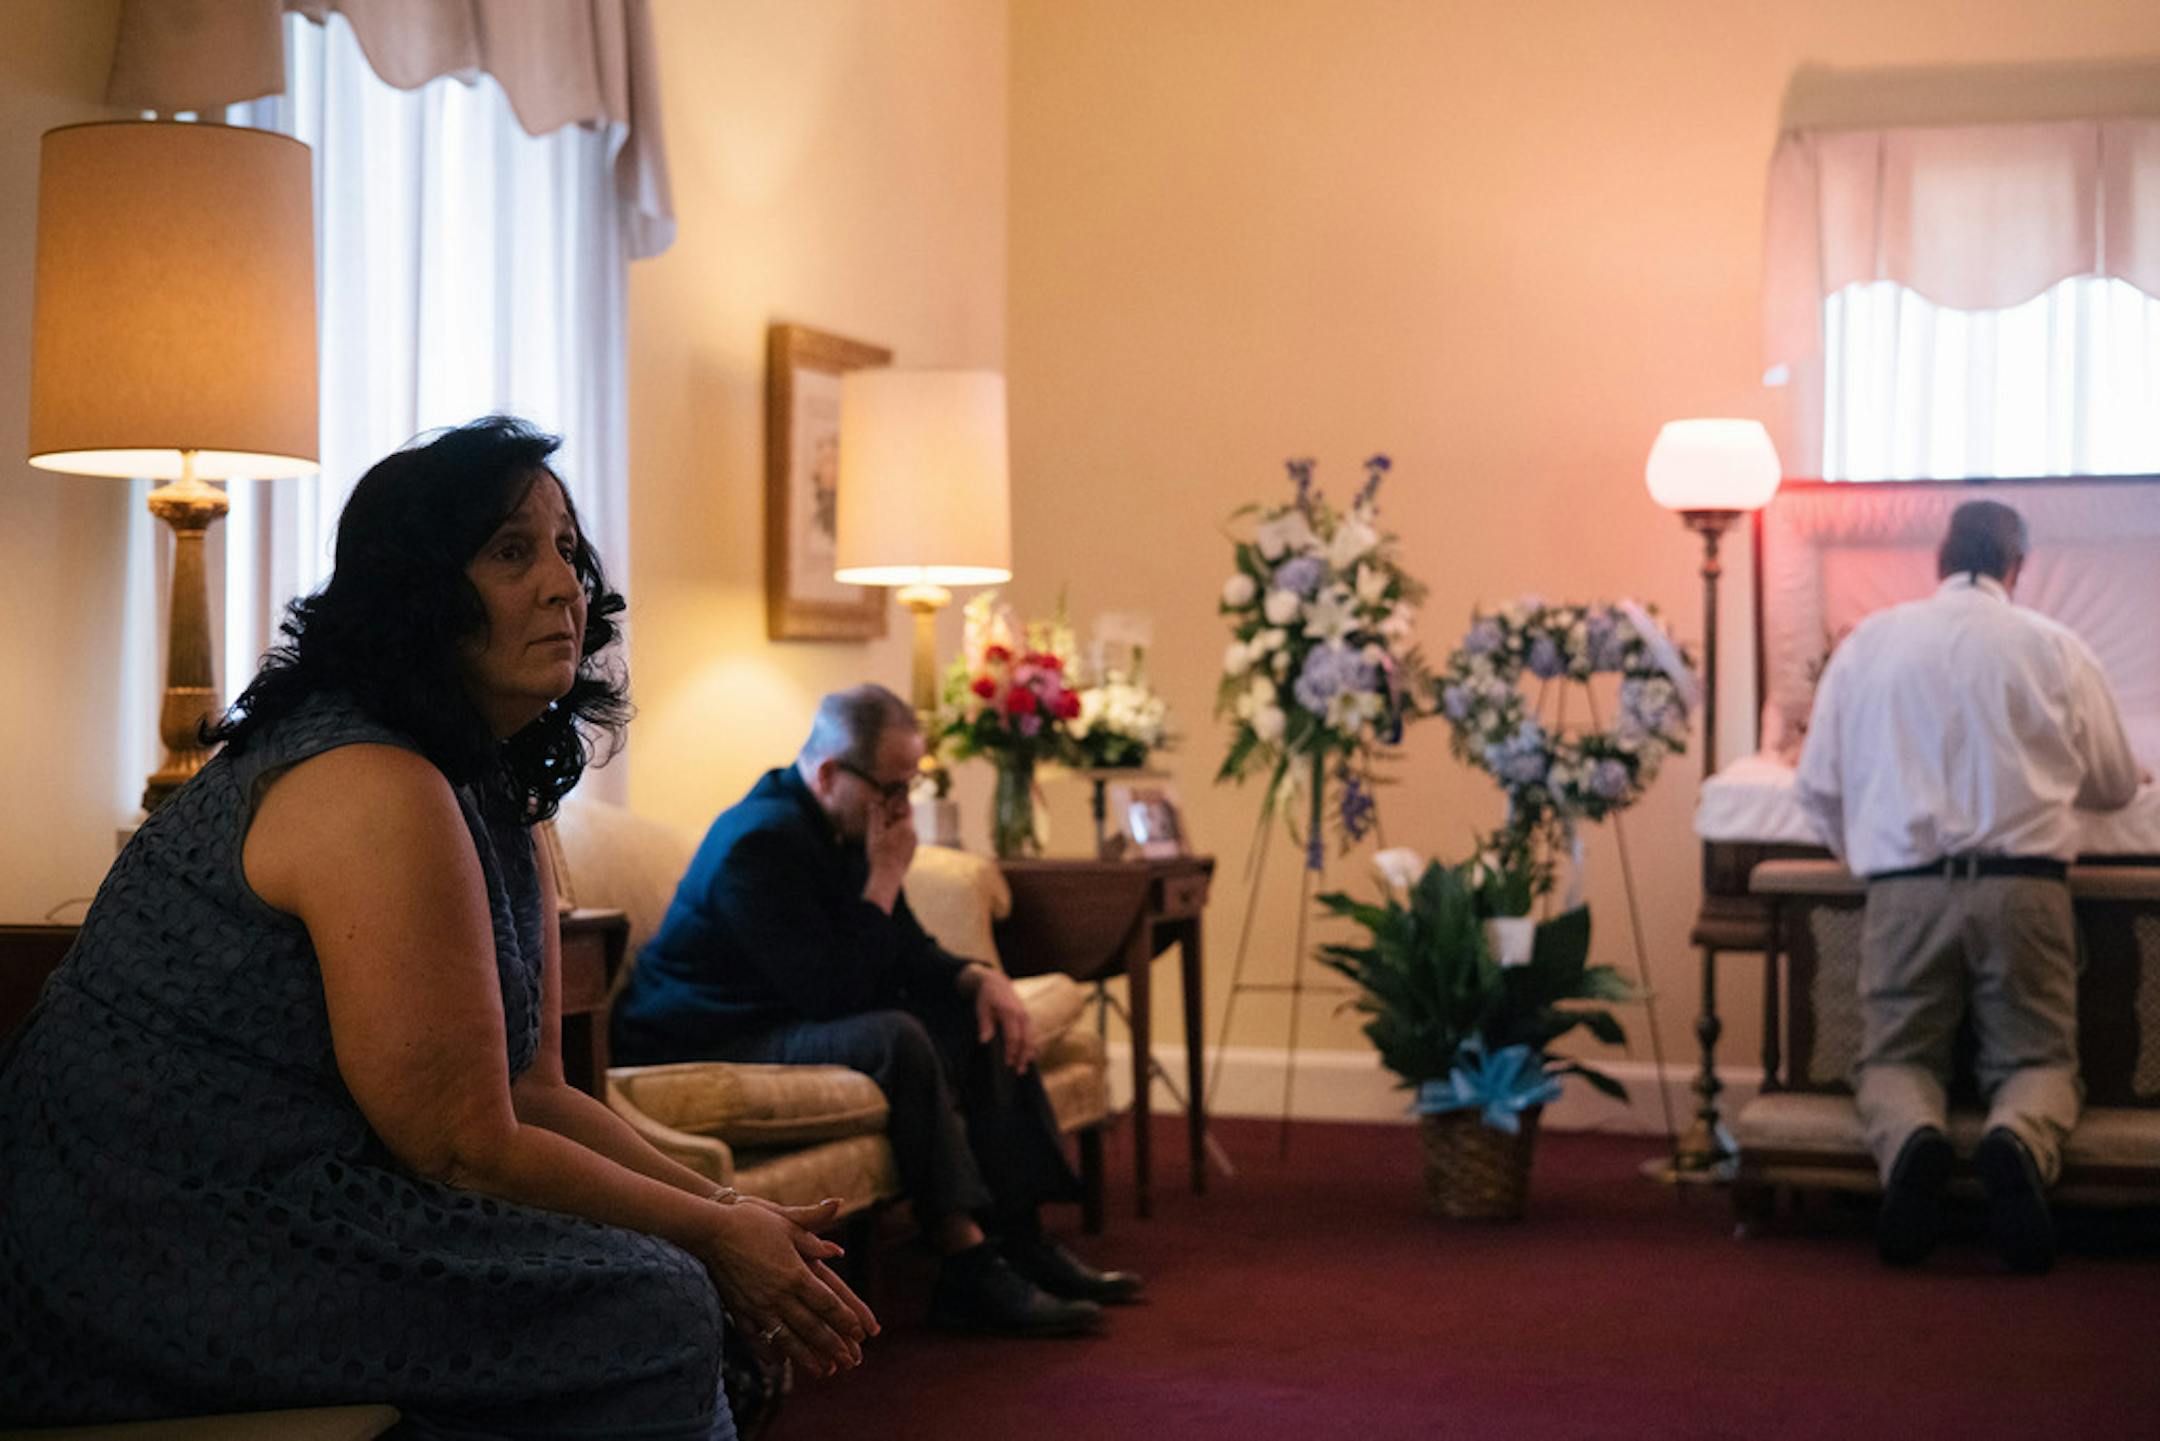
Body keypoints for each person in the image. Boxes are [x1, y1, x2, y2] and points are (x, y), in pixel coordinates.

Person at [0, 418, 874, 1438]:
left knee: (675, 1270)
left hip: (314, 1193)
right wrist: (711, 1241)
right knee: (658, 1304)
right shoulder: (368, 779)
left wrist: (728, 1217)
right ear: (418, 592)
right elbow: (462, 1144)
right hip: (152, 1228)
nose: (564, 584)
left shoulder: (489, 784)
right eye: (512, 552)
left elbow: (535, 1092)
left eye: (565, 549)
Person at [611, 685, 1143, 1336]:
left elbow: (902, 948)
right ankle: (966, 1261)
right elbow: (833, 993)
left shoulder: (842, 821)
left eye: (908, 787)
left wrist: (976, 977)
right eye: (891, 789)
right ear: (831, 771)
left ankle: (1021, 1235)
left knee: (976, 1014)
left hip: (780, 1010)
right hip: (710, 1030)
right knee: (898, 1036)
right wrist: (886, 877)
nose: (901, 808)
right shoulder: (760, 841)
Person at [1795, 499, 2143, 1273]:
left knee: (1894, 1058)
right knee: (2039, 1061)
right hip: (2025, 887)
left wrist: (1872, 853)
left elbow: (1817, 787)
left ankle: (1914, 1143)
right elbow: (2117, 785)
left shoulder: (1871, 645)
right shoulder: (2055, 645)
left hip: (1906, 887)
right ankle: (2014, 1140)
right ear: (2017, 566)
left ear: (1938, 561)